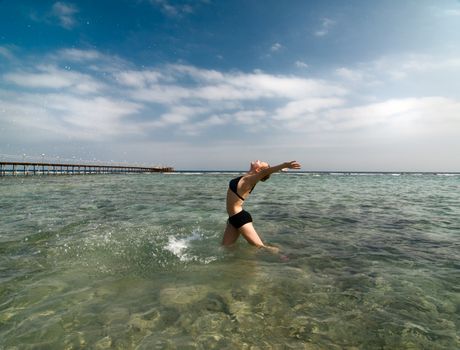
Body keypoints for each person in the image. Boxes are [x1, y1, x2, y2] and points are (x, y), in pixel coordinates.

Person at [222, 160, 301, 250]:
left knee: (262, 248)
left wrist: (284, 165)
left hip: (240, 218)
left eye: (261, 162)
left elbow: (266, 172)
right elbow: (266, 172)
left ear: (258, 170)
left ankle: (283, 256)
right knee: (225, 248)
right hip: (233, 219)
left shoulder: (250, 180)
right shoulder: (248, 177)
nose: (258, 160)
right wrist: (280, 170)